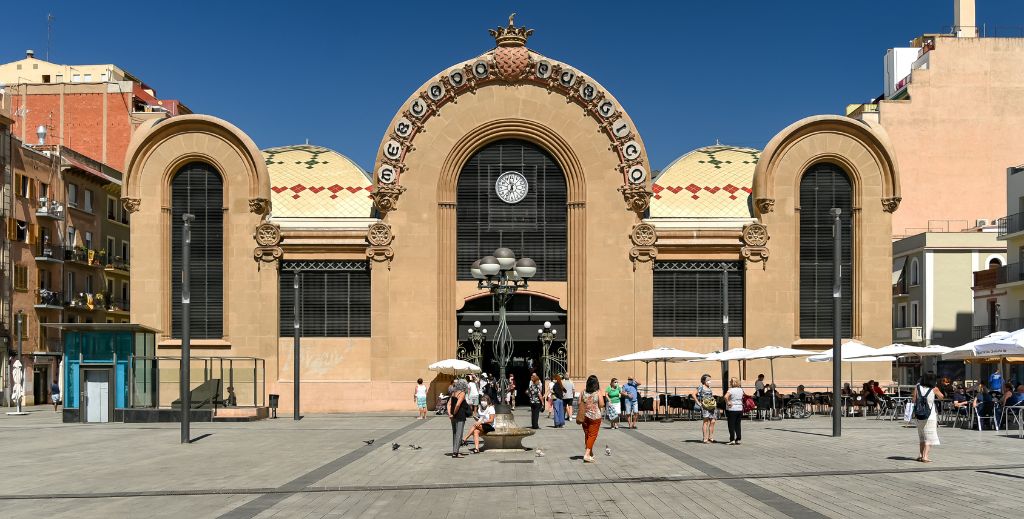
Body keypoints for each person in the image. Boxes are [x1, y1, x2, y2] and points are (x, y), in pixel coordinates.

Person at [912, 372, 943, 463]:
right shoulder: (934, 389)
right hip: (930, 416)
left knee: (921, 436)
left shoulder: (917, 388)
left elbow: (914, 400)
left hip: (918, 415)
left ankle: (920, 455)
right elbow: (941, 397)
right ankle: (925, 457)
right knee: (929, 437)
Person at [579, 375, 605, 463]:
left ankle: (590, 453)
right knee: (592, 435)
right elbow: (601, 404)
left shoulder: (583, 392)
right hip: (595, 417)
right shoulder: (598, 392)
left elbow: (579, 402)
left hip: (585, 416)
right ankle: (586, 454)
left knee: (587, 435)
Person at [447, 379, 469, 458]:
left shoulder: (453, 393)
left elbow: (449, 404)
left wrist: (450, 414)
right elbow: (457, 405)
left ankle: (455, 450)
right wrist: (454, 413)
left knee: (455, 433)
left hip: (453, 416)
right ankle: (455, 453)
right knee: (459, 434)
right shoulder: (462, 393)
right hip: (459, 415)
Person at [697, 374, 717, 443]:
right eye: (708, 380)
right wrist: (698, 403)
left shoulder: (709, 387)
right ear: (704, 380)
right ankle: (705, 438)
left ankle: (711, 437)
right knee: (706, 421)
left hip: (712, 406)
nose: (709, 381)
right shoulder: (701, 387)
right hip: (705, 406)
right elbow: (694, 394)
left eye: (710, 380)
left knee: (713, 421)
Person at [725, 377, 744, 445]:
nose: (730, 382)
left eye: (730, 381)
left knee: (731, 424)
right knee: (738, 424)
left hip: (732, 409)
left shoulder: (731, 390)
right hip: (739, 408)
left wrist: (728, 402)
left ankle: (732, 439)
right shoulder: (741, 390)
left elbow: (725, 396)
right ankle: (738, 438)